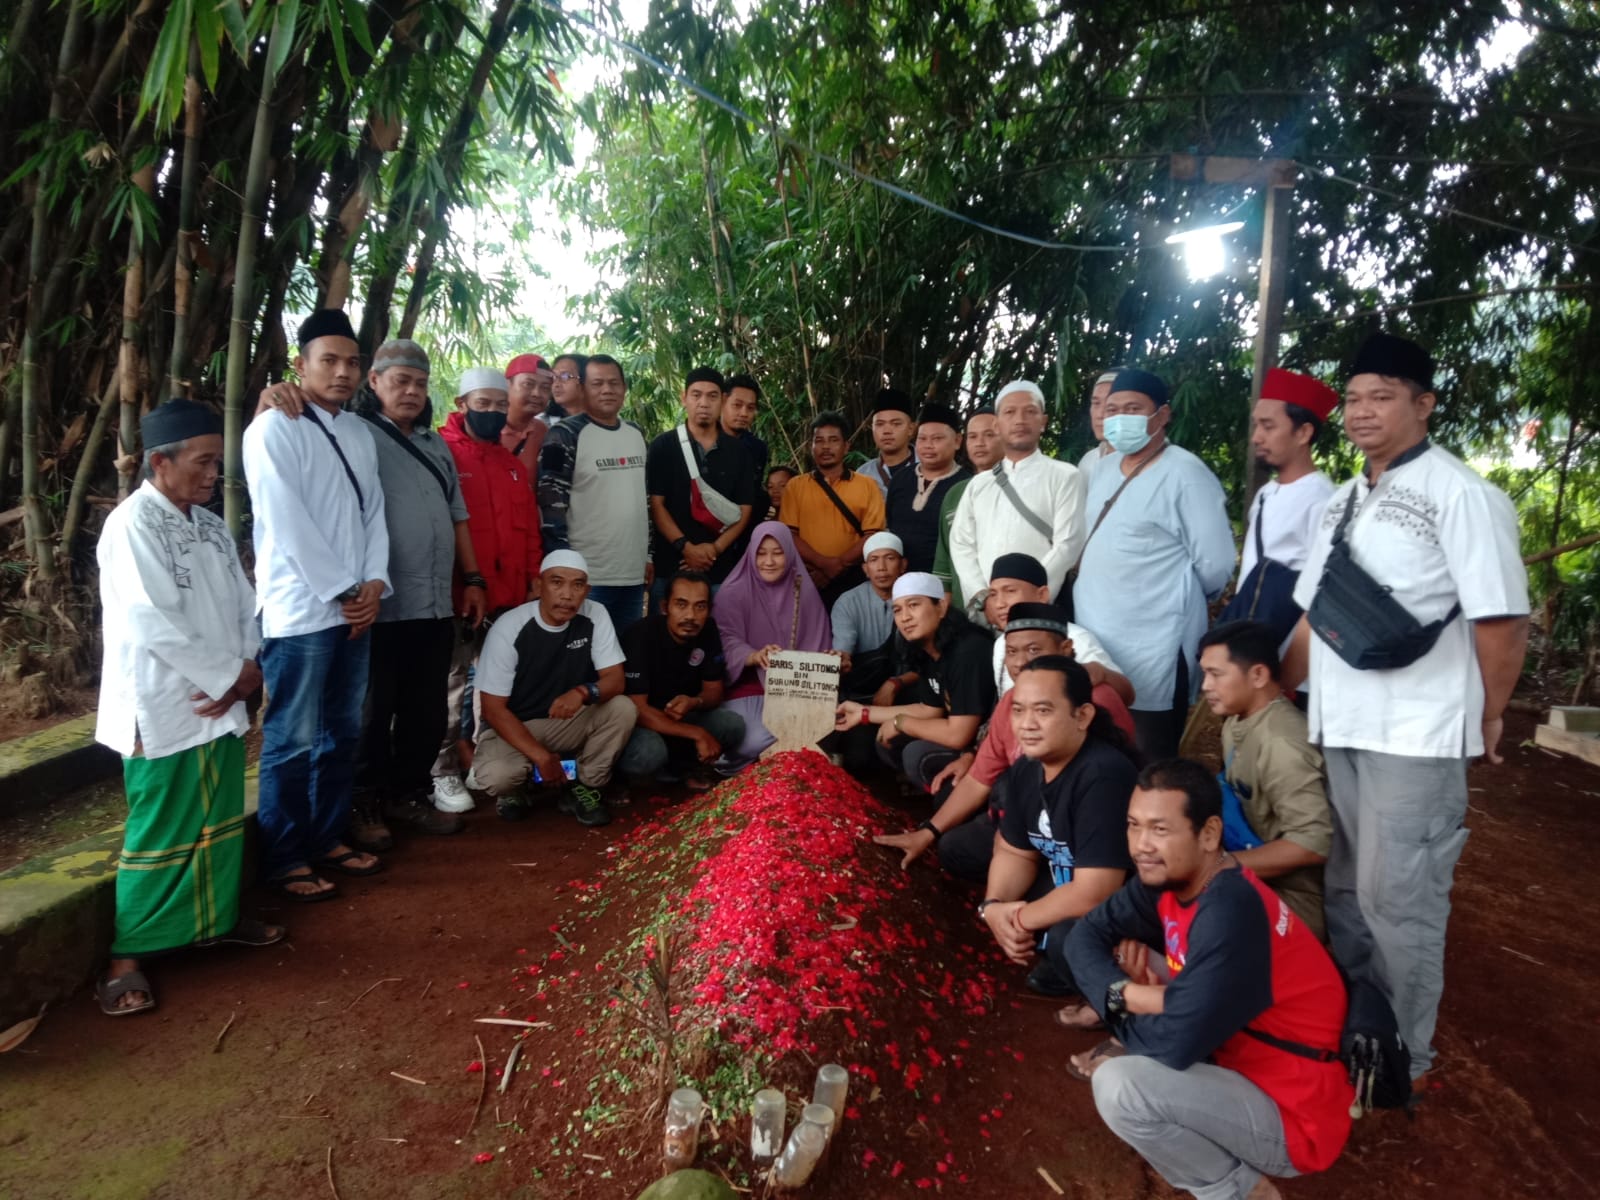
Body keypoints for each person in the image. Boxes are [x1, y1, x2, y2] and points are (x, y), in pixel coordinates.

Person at [1283, 331, 1529, 1084]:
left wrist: (1487, 715)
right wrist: (1271, 697)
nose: (1361, 412)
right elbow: (1309, 618)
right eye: (1354, 398)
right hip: (1342, 722)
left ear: (1423, 405)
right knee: (1349, 891)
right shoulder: (1344, 500)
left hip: (1418, 734)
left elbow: (1502, 621)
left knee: (1403, 902)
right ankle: (1358, 1026)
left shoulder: (1464, 496)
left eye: (1381, 396)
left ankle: (1403, 1057)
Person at [1063, 759, 1354, 1200]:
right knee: (1146, 970)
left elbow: (1174, 1046)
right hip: (1246, 1057)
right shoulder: (1169, 879)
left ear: (1209, 834)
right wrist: (1128, 994)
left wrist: (1130, 1004)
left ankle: (1239, 1191)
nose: (1141, 845)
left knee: (1121, 1088)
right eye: (1133, 825)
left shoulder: (1230, 909)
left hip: (1295, 1114)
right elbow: (1083, 936)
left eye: (1160, 830)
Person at [94, 399, 283, 1015]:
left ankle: (214, 921)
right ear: (159, 461)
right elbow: (151, 619)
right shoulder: (131, 526)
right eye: (202, 463)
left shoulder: (207, 525)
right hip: (164, 703)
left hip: (220, 696)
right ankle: (126, 956)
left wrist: (246, 669)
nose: (212, 476)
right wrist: (229, 676)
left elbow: (241, 600)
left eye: (216, 463)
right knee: (161, 828)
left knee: (218, 818)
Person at [245, 309, 389, 899]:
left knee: (342, 732)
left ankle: (328, 837)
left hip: (356, 607)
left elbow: (372, 512)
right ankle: (285, 859)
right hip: (302, 610)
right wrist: (345, 590)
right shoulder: (274, 428)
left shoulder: (358, 431)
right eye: (328, 360)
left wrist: (374, 582)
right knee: (291, 739)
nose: (342, 372)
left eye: (352, 362)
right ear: (300, 365)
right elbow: (285, 520)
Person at [873, 603, 1136, 886]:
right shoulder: (1011, 702)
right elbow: (978, 780)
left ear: (1066, 649)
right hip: (1028, 827)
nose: (1021, 662)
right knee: (954, 849)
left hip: (1082, 841)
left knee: (1061, 910)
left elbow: (1107, 811)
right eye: (1012, 652)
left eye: (1034, 650)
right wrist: (926, 832)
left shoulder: (1098, 703)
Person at [348, 342, 479, 841]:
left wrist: (474, 579)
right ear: (374, 382)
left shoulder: (432, 444)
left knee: (426, 711)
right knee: (374, 712)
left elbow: (457, 515)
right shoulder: (355, 434)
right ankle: (364, 806)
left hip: (434, 602)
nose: (410, 391)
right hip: (379, 605)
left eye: (419, 383)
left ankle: (407, 796)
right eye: (399, 380)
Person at [1073, 368, 1235, 761]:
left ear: (1162, 416)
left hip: (1155, 642)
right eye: (1112, 409)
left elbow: (1216, 564)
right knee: (1100, 746)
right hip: (1097, 635)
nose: (1119, 417)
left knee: (1149, 756)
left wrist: (1170, 594)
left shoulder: (1185, 473)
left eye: (1133, 408)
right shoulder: (1101, 469)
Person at [977, 656, 1137, 998]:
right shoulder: (1027, 769)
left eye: (1043, 711)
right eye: (1018, 710)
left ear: (1083, 716)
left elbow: (1096, 891)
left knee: (1071, 939)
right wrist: (993, 907)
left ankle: (1110, 1006)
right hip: (1070, 878)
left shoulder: (1103, 774)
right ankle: (1066, 966)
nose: (1027, 724)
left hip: (1135, 908)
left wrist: (1017, 920)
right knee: (971, 856)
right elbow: (1012, 850)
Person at [432, 366, 544, 816]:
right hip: (460, 593)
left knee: (500, 683)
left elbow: (529, 529)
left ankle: (485, 757)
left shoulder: (510, 464)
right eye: (484, 404)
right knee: (451, 684)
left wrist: (534, 576)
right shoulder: (441, 452)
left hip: (508, 594)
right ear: (462, 405)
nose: (493, 413)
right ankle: (441, 770)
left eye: (500, 405)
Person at [470, 551, 637, 827]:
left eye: (578, 585)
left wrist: (582, 692)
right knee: (498, 775)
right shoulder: (509, 627)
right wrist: (542, 757)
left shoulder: (595, 614)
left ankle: (585, 787)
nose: (567, 594)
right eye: (556, 582)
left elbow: (615, 680)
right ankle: (518, 789)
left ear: (587, 590)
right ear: (538, 586)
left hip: (567, 720)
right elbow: (493, 709)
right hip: (517, 726)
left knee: (622, 708)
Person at [1198, 621, 1331, 939]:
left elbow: (1313, 843)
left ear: (1257, 675)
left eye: (1216, 674)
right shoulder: (1238, 719)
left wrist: (1219, 867)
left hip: (1295, 895)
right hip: (1252, 867)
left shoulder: (1282, 743)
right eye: (1204, 674)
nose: (1204, 685)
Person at [834, 572, 995, 792]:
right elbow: (928, 710)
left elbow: (959, 735)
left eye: (914, 605)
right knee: (888, 741)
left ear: (941, 607)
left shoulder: (967, 650)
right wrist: (863, 713)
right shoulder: (929, 649)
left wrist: (902, 722)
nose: (905, 617)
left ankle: (955, 802)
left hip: (984, 748)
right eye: (898, 610)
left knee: (915, 753)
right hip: (964, 740)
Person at [1225, 368, 1338, 646]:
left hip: (1293, 660)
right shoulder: (1266, 493)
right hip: (1254, 646)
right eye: (1256, 425)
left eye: (1268, 426)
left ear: (1303, 432)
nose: (1256, 438)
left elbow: (1327, 592)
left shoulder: (1323, 500)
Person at [539, 353, 651, 633]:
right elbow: (550, 500)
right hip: (588, 575)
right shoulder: (565, 434)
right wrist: (564, 564)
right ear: (583, 388)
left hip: (632, 574)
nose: (607, 390)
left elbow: (644, 499)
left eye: (614, 383)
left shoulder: (635, 433)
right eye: (597, 383)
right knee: (583, 658)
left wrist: (648, 556)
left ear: (624, 388)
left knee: (625, 656)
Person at [950, 381, 1087, 604]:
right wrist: (984, 597)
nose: (1020, 420)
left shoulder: (1065, 476)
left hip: (1038, 606)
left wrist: (1029, 594)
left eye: (1030, 411)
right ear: (997, 424)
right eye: (1010, 412)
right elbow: (961, 543)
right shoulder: (978, 485)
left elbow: (1068, 544)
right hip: (988, 609)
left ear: (1043, 422)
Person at [713, 522, 833, 767]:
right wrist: (753, 655)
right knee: (756, 740)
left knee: (823, 728)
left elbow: (818, 644)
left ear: (789, 553)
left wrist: (828, 660)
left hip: (796, 689)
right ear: (751, 553)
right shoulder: (733, 592)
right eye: (761, 553)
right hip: (748, 688)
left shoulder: (804, 590)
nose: (769, 561)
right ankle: (732, 764)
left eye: (778, 553)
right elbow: (723, 640)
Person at [616, 571, 746, 790]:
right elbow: (636, 709)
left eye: (700, 606)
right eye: (681, 604)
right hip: (642, 722)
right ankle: (617, 779)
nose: (690, 616)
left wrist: (695, 701)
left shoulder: (709, 630)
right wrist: (698, 733)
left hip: (683, 716)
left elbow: (714, 691)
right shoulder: (639, 636)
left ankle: (679, 769)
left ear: (709, 610)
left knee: (731, 725)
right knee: (649, 753)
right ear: (665, 607)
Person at [646, 366, 756, 601]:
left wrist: (713, 550)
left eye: (712, 396)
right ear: (684, 398)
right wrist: (686, 548)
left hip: (719, 569)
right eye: (696, 395)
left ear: (723, 400)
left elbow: (745, 510)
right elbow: (657, 505)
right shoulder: (663, 446)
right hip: (670, 567)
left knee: (719, 635)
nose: (704, 403)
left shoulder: (739, 452)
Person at [982, 552, 1135, 707]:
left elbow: (1126, 697)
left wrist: (1102, 673)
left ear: (1042, 595)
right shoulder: (1001, 643)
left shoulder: (1077, 639)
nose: (999, 603)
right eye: (993, 594)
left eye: (1010, 591)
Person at [779, 410, 885, 607]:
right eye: (819, 440)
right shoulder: (795, 486)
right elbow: (789, 535)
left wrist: (837, 565)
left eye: (833, 440)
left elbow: (873, 534)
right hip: (808, 577)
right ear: (811, 446)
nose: (825, 447)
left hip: (854, 578)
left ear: (846, 446)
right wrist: (823, 564)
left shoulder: (867, 485)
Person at [885, 403, 969, 572]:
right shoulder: (900, 479)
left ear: (957, 441)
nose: (928, 445)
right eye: (922, 439)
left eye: (937, 439)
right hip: (901, 583)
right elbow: (889, 526)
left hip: (945, 582)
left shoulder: (967, 485)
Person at [931, 407, 1001, 608]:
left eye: (989, 435)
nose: (980, 443)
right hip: (965, 611)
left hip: (1011, 609)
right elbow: (944, 559)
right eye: (973, 436)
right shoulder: (956, 494)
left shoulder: (1024, 488)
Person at [831, 531, 905, 681]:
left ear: (903, 565)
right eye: (874, 560)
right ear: (865, 569)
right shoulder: (848, 602)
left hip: (907, 682)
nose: (881, 567)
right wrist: (841, 658)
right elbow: (844, 645)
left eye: (890, 558)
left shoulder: (914, 599)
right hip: (864, 682)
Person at [503, 352, 554, 477]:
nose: (537, 393)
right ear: (507, 385)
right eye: (528, 384)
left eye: (545, 388)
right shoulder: (485, 429)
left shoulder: (543, 432)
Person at [861, 387, 917, 494]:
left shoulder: (930, 469)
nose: (887, 431)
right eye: (880, 424)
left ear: (911, 429)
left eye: (896, 424)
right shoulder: (862, 475)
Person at [722, 372, 769, 495]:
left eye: (750, 408)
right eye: (737, 405)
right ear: (722, 402)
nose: (744, 413)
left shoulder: (757, 448)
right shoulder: (703, 441)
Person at [1075, 369, 1118, 480]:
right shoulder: (1088, 462)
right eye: (1096, 403)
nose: (1100, 414)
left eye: (1110, 404)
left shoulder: (1155, 462)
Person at [545, 352, 587, 426]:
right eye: (554, 377)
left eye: (565, 376)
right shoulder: (543, 425)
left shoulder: (604, 422)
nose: (556, 384)